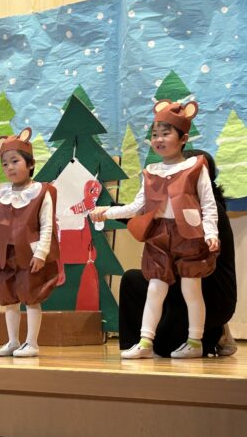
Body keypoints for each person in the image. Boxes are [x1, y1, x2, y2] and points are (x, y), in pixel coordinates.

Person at [91, 100, 219, 359]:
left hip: (189, 236)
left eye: (165, 133)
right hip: (160, 236)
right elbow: (137, 206)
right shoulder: (151, 172)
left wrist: (211, 233)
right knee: (155, 288)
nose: (158, 139)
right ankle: (145, 342)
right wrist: (107, 211)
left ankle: (195, 342)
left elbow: (208, 204)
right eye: (154, 135)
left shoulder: (196, 167)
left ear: (183, 139)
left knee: (191, 289)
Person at [118, 149, 237, 357]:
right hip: (178, 288)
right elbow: (146, 215)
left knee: (166, 347)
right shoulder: (174, 207)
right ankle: (137, 345)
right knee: (133, 280)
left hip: (210, 295)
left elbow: (153, 222)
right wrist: (108, 211)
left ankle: (215, 334)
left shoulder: (208, 211)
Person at [0, 128, 60, 358]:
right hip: (7, 255)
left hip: (30, 255)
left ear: (30, 164)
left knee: (31, 297)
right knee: (9, 299)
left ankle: (31, 343)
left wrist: (41, 254)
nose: (9, 167)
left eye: (15, 161)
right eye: (5, 164)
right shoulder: (2, 194)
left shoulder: (41, 192)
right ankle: (13, 341)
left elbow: (47, 225)